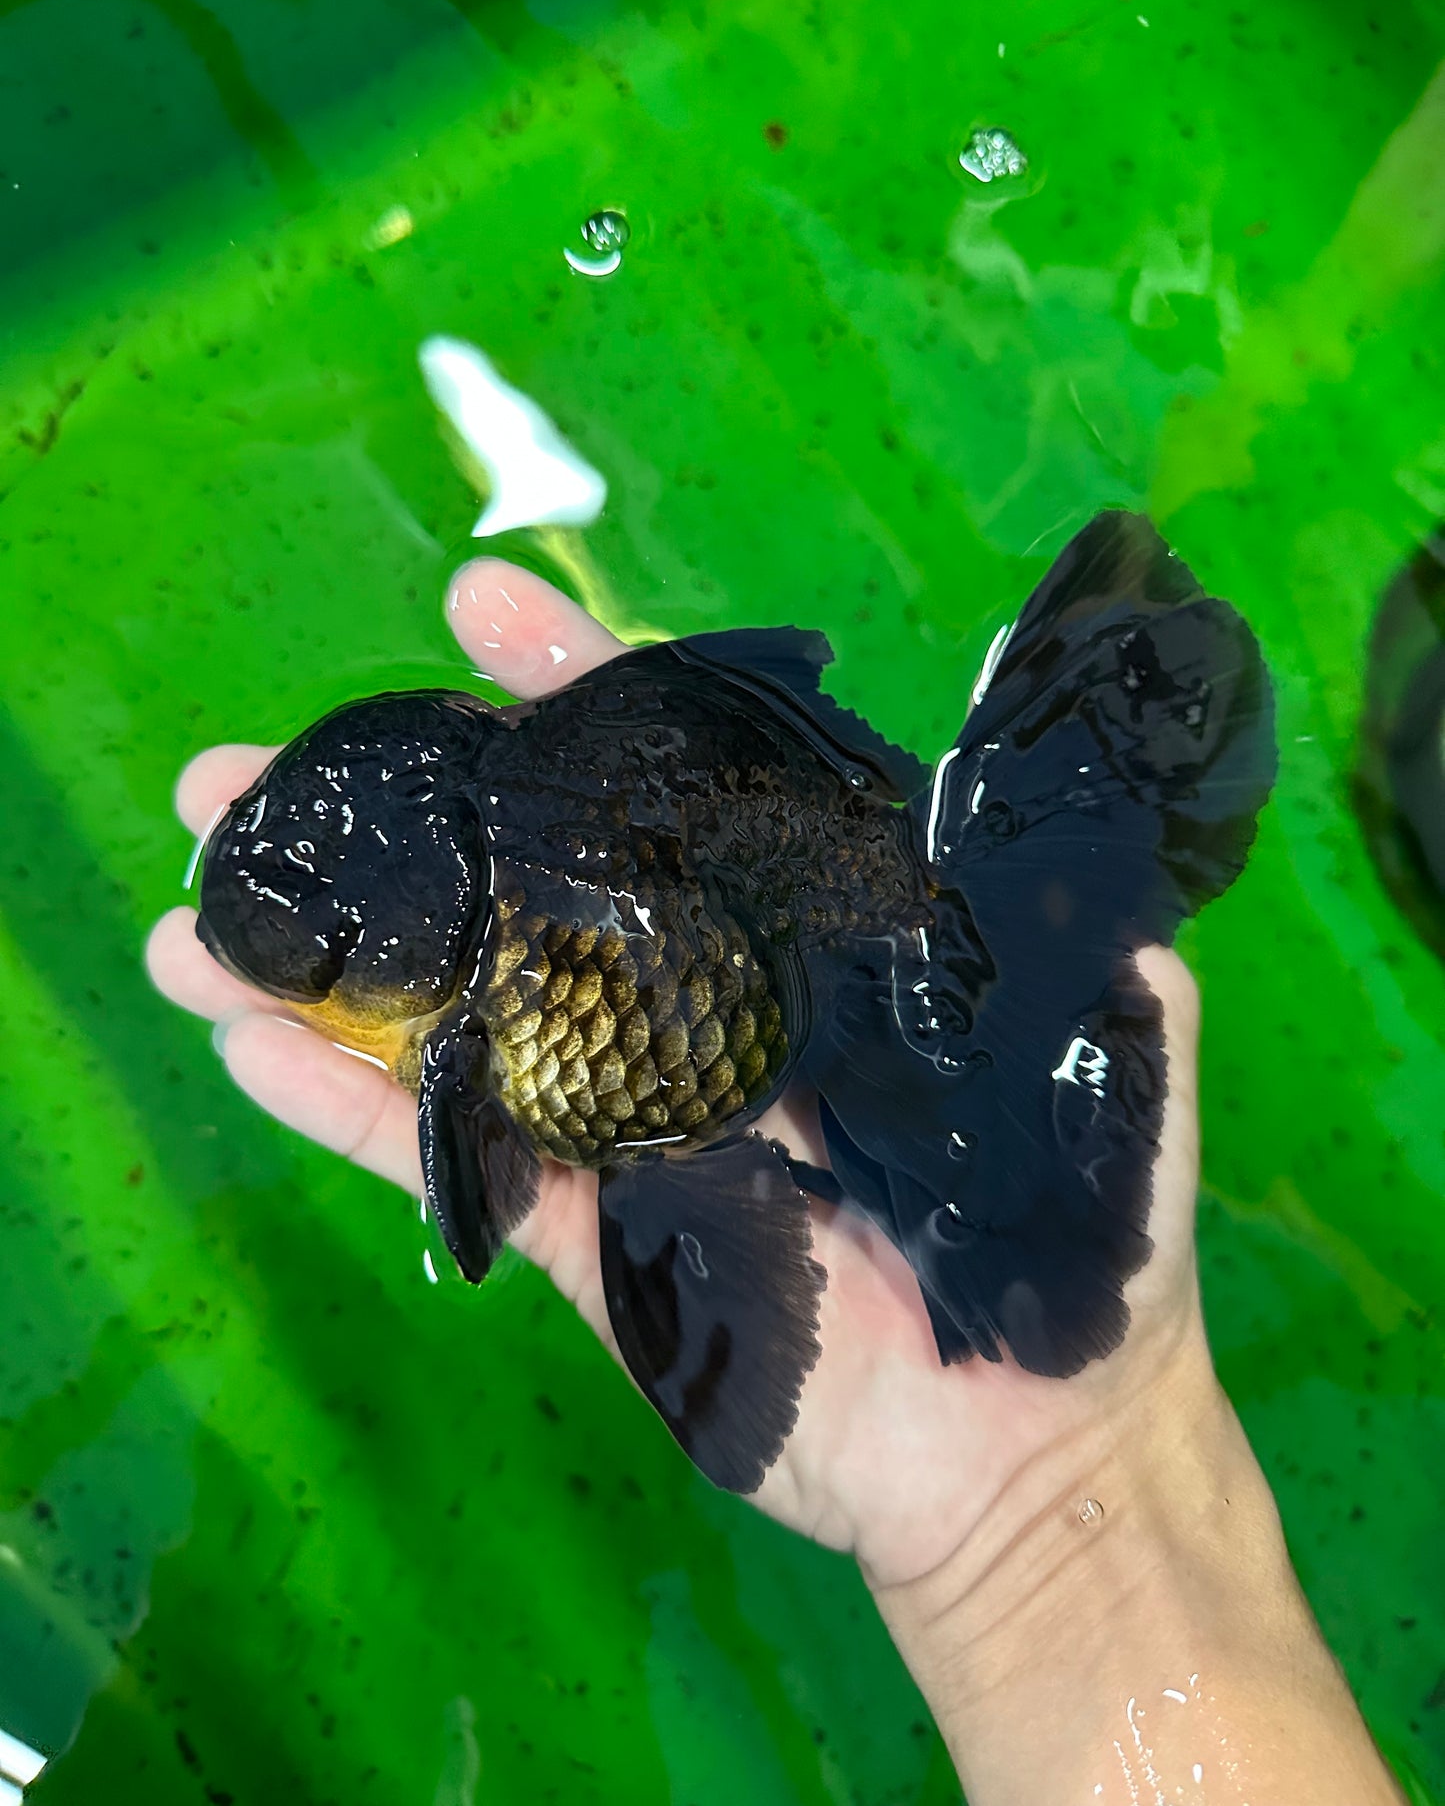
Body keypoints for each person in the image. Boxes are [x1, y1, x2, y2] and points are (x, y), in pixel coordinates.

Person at [147, 557, 1408, 1806]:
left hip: (790, 979)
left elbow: (477, 1179)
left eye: (314, 927)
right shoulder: (480, 930)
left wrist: (1073, 1486)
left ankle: (993, 931)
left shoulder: (486, 1010)